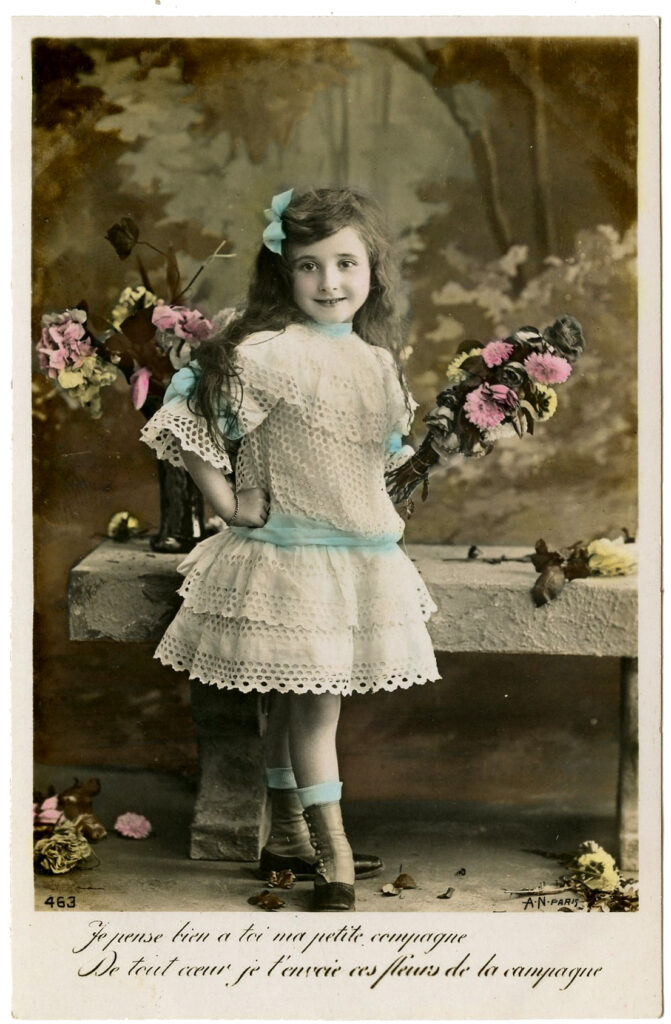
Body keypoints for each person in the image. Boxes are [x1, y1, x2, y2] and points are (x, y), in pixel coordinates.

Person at [141, 186, 442, 912]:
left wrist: (434, 450)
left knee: (292, 705)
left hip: (356, 559)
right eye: (308, 266)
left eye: (345, 263)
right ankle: (331, 851)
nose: (330, 283)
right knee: (315, 708)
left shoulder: (376, 360)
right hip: (289, 558)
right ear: (284, 273)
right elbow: (185, 416)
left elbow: (373, 458)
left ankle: (283, 835)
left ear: (373, 269)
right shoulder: (268, 352)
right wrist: (225, 502)